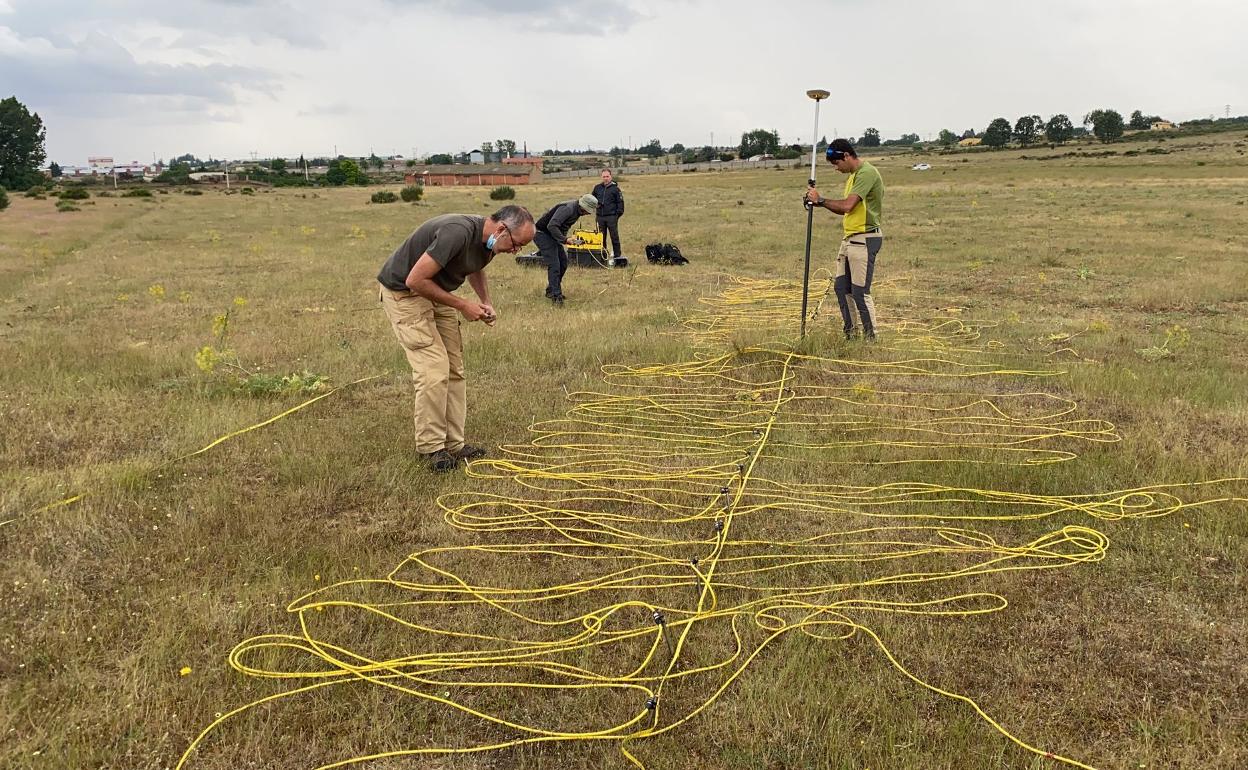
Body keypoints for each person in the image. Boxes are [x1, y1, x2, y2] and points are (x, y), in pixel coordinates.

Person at [376, 205, 535, 471]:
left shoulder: (490, 242)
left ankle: (454, 444)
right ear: (501, 229)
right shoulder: (457, 232)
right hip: (405, 292)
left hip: (435, 290)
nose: (515, 251)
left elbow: (475, 267)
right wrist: (463, 305)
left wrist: (485, 301)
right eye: (517, 244)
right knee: (433, 369)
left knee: (454, 368)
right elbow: (415, 280)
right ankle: (431, 448)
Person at [805, 138, 885, 340]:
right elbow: (845, 209)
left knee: (860, 292)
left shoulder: (866, 173)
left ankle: (870, 338)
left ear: (846, 156)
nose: (836, 168)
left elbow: (847, 206)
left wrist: (821, 200)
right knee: (841, 288)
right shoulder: (852, 176)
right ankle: (851, 334)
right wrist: (816, 202)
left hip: (865, 239)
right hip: (849, 239)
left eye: (837, 163)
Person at [534, 194, 597, 305]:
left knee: (563, 263)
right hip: (542, 234)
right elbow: (552, 226)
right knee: (554, 265)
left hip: (552, 236)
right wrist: (565, 240)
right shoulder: (568, 208)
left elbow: (561, 227)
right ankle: (556, 297)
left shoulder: (577, 211)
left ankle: (551, 290)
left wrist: (567, 239)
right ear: (583, 207)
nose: (588, 213)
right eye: (588, 211)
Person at [592, 169, 625, 263]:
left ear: (610, 176)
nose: (605, 178)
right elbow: (592, 199)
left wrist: (616, 216)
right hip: (600, 217)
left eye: (607, 176)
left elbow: (620, 203)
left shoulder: (615, 189)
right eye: (604, 176)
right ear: (601, 177)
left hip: (611, 217)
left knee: (614, 237)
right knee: (601, 238)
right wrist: (595, 206)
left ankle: (617, 257)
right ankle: (603, 257)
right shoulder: (597, 188)